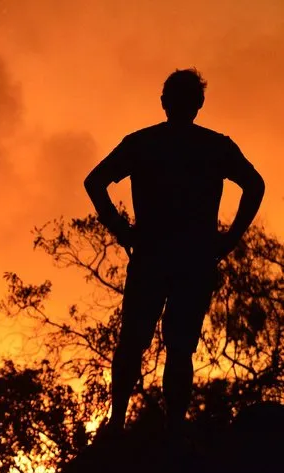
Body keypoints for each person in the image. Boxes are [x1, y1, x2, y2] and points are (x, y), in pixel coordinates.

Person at [84, 68, 265, 438]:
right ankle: (171, 429)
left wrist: (121, 230)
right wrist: (229, 239)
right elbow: (255, 185)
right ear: (198, 105)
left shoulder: (143, 143)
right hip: (192, 259)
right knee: (179, 346)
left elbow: (94, 181)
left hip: (154, 256)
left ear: (164, 102)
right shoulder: (215, 146)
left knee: (134, 340)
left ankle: (120, 422)